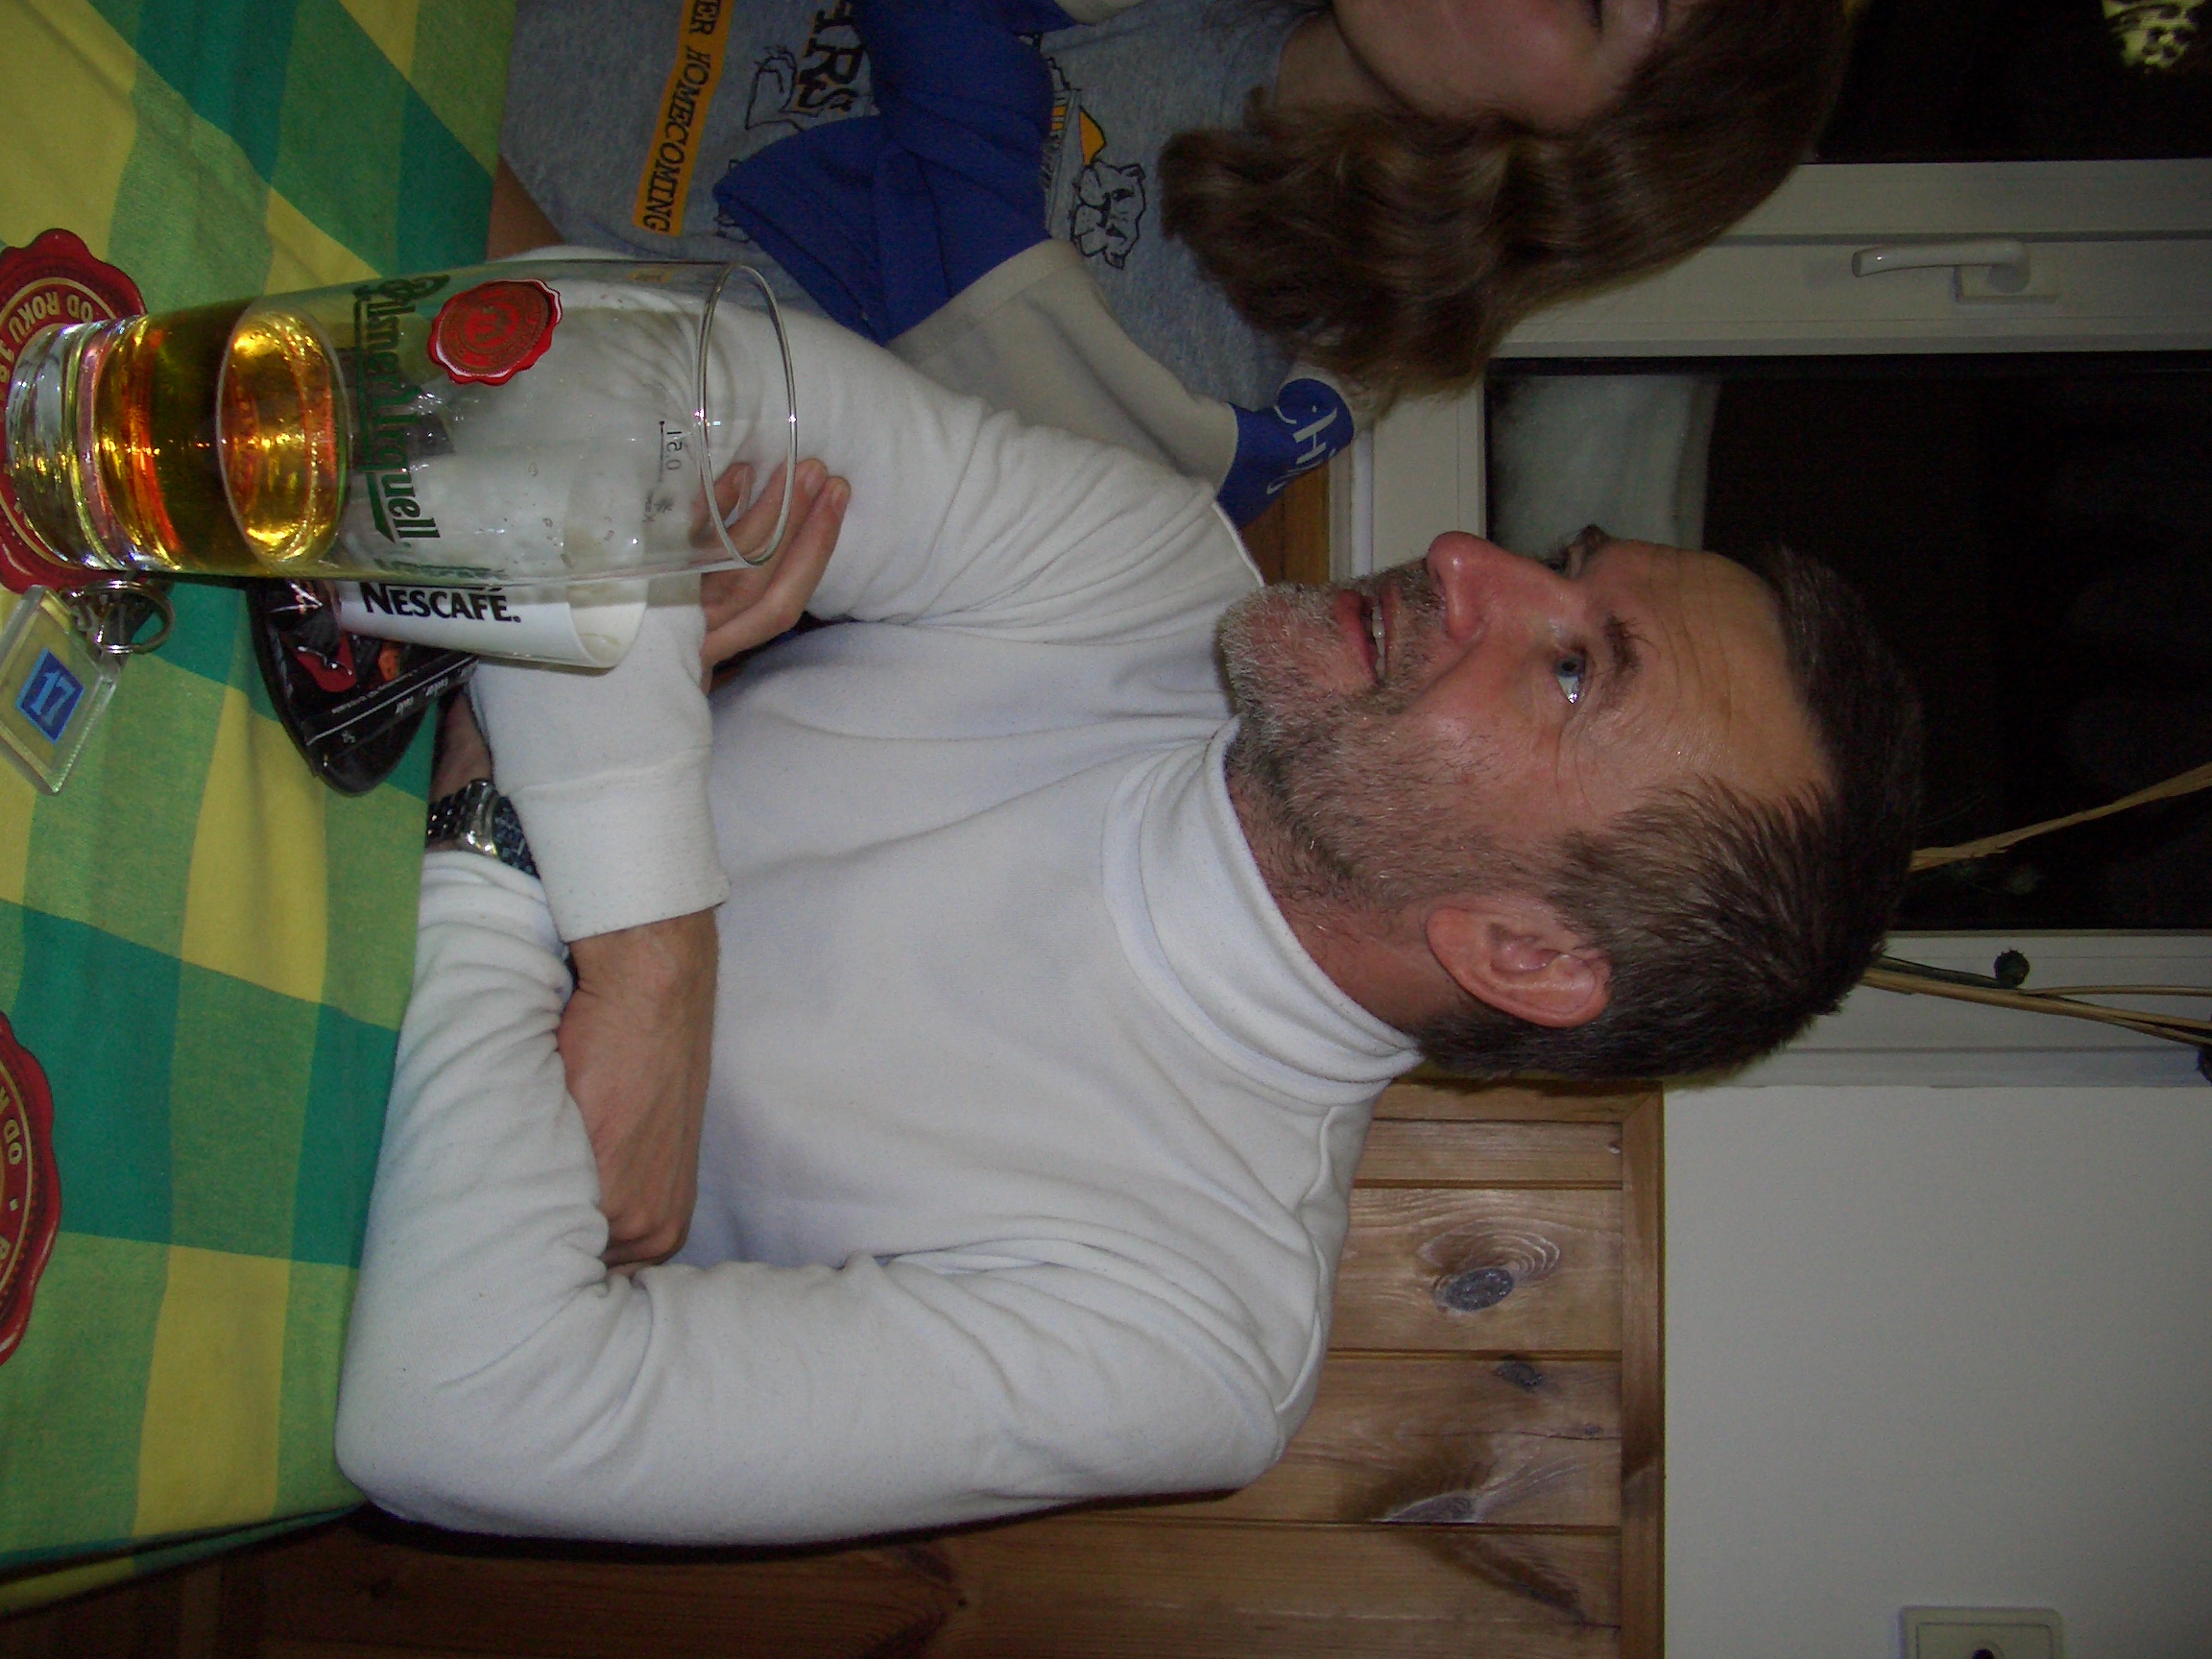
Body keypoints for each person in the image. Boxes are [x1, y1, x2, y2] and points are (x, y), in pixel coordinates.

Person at [334, 299, 1921, 1542]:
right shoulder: (1154, 574)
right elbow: (551, 359)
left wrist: (524, 762)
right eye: (1560, 564)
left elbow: (465, 1413)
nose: (1464, 560)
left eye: (1572, 669)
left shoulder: (1191, 1334)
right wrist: (643, 945)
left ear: (1526, 953)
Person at [497, 0, 1853, 518]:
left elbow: (614, 412)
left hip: (440, 231)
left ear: (1588, 157)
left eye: (1594, 4)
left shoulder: (1215, 395)